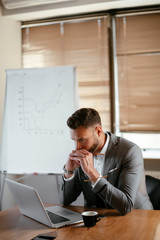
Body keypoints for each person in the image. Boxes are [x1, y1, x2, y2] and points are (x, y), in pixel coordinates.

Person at [59, 108, 153, 215]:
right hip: (98, 219)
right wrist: (69, 171)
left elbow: (126, 205)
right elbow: (64, 201)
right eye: (74, 140)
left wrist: (91, 173)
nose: (77, 147)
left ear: (98, 131)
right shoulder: (83, 152)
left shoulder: (130, 151)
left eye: (81, 140)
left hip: (136, 217)